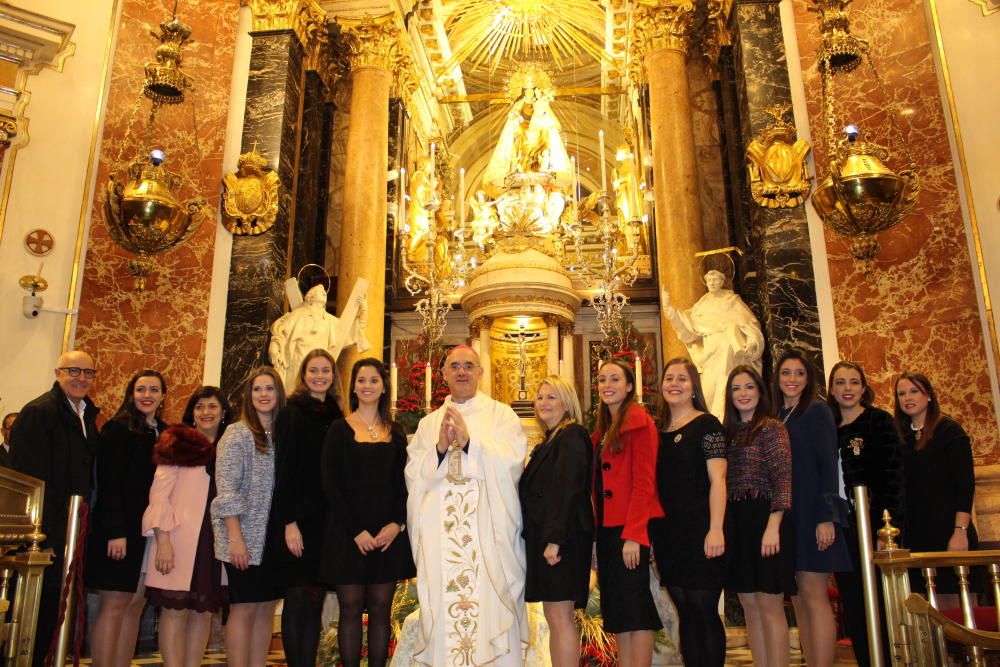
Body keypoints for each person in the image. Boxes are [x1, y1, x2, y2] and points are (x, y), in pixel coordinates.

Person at [405, 345, 528, 666]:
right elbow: (412, 475)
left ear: (480, 372)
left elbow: (514, 462)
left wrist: (472, 442)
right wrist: (441, 450)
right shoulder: (428, 424)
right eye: (455, 366)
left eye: (469, 366)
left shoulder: (502, 415)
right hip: (441, 542)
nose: (462, 372)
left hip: (488, 538)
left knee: (490, 607)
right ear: (444, 373)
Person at [322, 358, 415, 667]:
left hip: (386, 534)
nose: (367, 386)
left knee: (380, 610)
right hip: (349, 535)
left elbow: (406, 484)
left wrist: (397, 524)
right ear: (354, 387)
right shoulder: (339, 429)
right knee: (350, 609)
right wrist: (355, 531)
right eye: (361, 380)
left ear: (383, 386)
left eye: (373, 380)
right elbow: (331, 484)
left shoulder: (397, 433)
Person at [11, 351, 100, 665]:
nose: (81, 378)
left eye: (88, 373)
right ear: (57, 372)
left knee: (63, 614)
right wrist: (41, 537)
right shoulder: (40, 412)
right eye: (73, 370)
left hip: (75, 529)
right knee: (40, 615)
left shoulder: (87, 415)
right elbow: (29, 480)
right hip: (46, 535)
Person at [143, 386, 233, 667]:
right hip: (179, 538)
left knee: (202, 612)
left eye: (212, 406)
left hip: (214, 540)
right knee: (175, 611)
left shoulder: (231, 446)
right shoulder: (176, 441)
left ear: (223, 412)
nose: (206, 412)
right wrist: (164, 542)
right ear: (191, 413)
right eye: (200, 406)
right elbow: (159, 495)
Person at [773, 349, 851, 667]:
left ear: (808, 378)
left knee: (814, 593)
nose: (792, 380)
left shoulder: (817, 411)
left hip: (812, 513)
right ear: (776, 378)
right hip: (787, 515)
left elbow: (828, 466)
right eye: (786, 373)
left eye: (799, 373)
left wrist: (827, 517)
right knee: (797, 598)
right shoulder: (776, 415)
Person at [649, 358, 728, 667]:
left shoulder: (707, 424)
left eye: (682, 378)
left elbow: (718, 479)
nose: (675, 384)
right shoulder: (657, 431)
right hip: (669, 534)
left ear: (693, 386)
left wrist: (717, 528)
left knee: (703, 610)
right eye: (670, 378)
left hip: (703, 530)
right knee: (685, 613)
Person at [87, 370, 167, 667]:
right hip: (119, 530)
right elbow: (109, 483)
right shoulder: (117, 429)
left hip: (148, 533)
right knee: (115, 604)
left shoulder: (164, 431)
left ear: (162, 396)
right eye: (141, 389)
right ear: (131, 394)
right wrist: (115, 530)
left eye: (153, 390)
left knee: (136, 604)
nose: (147, 395)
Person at [827, 361, 904, 667]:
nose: (847, 388)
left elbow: (893, 478)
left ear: (863, 388)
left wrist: (890, 529)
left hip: (876, 528)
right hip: (844, 527)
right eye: (841, 383)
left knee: (882, 602)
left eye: (854, 382)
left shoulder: (878, 421)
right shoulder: (829, 427)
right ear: (832, 390)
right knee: (853, 601)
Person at [271, 349, 344, 667]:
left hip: (325, 522)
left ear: (333, 375)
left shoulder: (337, 415)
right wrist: (289, 522)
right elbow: (283, 470)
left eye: (325, 370)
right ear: (304, 376)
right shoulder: (291, 412)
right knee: (297, 598)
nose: (319, 376)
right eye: (313, 370)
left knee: (314, 600)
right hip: (298, 520)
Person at [211, 367, 286, 667]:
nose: (264, 394)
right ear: (249, 395)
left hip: (273, 540)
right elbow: (226, 489)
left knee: (266, 608)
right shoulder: (237, 433)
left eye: (269, 389)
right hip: (243, 537)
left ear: (279, 394)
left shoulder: (283, 435)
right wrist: (236, 538)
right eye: (257, 389)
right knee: (243, 607)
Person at [591, 359, 663, 667]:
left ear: (630, 386)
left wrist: (635, 535)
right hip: (607, 530)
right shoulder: (603, 429)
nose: (607, 385)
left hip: (629, 529)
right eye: (602, 380)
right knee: (618, 611)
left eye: (615, 379)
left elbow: (645, 482)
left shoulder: (639, 421)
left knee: (636, 609)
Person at [519, 375, 593, 667]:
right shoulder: (551, 439)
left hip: (563, 540)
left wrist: (554, 540)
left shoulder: (572, 435)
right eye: (540, 397)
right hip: (551, 538)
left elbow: (567, 489)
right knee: (555, 615)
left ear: (567, 402)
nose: (544, 403)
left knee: (560, 617)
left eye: (552, 397)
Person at [724, 365, 794, 667]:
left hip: (766, 520)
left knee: (769, 605)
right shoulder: (728, 433)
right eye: (737, 388)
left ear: (760, 392)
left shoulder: (772, 427)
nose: (743, 394)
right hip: (738, 523)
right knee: (749, 604)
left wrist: (773, 526)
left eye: (749, 387)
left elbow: (783, 479)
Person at [894, 372, 980, 607]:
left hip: (949, 531)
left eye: (914, 391)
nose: (907, 398)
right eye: (902, 393)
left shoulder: (949, 431)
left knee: (958, 609)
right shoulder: (900, 437)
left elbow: (965, 485)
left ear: (928, 396)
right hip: (916, 536)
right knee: (925, 612)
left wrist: (960, 531)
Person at [660, 272, 764, 420]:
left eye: (715, 280)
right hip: (711, 356)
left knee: (729, 388)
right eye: (708, 280)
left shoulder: (732, 301)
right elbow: (688, 328)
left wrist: (753, 341)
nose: (712, 283)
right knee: (709, 393)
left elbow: (750, 325)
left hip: (732, 357)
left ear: (722, 281)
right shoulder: (702, 306)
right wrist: (669, 310)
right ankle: (713, 422)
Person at [268, 283, 369, 391]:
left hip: (319, 371)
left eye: (325, 292)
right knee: (294, 400)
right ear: (311, 297)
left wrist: (364, 310)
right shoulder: (297, 315)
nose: (324, 292)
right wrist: (273, 349)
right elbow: (279, 334)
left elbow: (353, 331)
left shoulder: (330, 321)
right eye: (320, 292)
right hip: (297, 366)